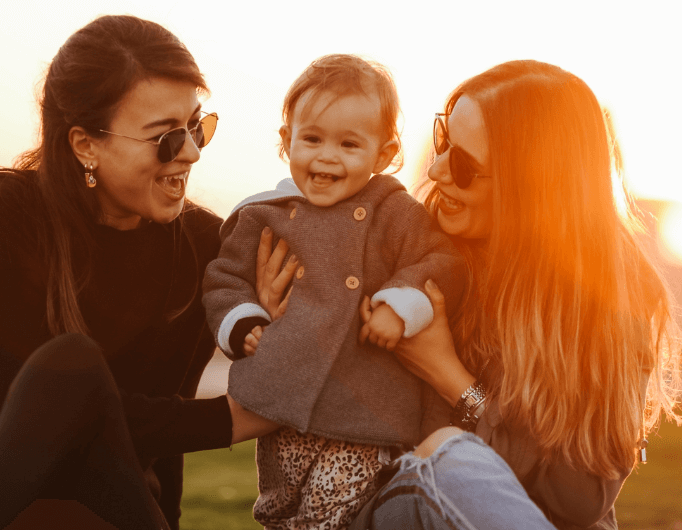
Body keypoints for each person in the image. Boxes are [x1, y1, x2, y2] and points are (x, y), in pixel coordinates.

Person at [256, 60, 682, 530]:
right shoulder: (410, 249)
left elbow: (579, 501)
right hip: (386, 507)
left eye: (463, 164)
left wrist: (451, 377)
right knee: (445, 459)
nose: (437, 171)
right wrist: (283, 320)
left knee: (456, 459)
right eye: (444, 142)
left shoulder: (611, 301)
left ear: (532, 188)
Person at [0, 15, 272, 530]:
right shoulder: (3, 216)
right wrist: (229, 419)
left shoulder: (204, 246)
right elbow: (52, 417)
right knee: (72, 369)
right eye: (166, 137)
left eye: (197, 126)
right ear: (85, 144)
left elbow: (161, 430)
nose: (192, 152)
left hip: (108, 502)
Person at [202, 54, 466, 529]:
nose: (326, 156)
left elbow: (441, 263)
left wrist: (400, 305)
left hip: (367, 414)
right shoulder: (266, 214)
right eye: (312, 139)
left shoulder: (396, 213)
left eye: (349, 144)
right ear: (286, 142)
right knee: (280, 508)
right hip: (286, 407)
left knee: (335, 515)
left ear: (384, 155)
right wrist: (242, 321)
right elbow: (225, 278)